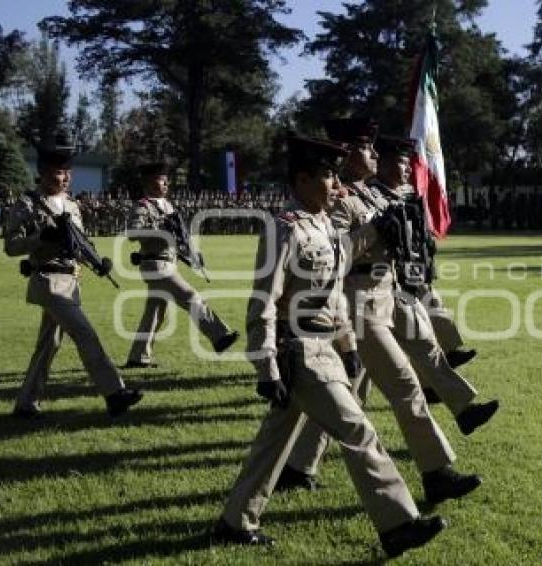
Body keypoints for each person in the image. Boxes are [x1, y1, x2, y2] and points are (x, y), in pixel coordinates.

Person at [213, 133, 445, 558]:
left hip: (325, 348)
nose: (335, 185)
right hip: (299, 352)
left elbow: (336, 288)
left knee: (273, 444)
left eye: (336, 176)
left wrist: (348, 344)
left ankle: (234, 521)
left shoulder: (322, 223)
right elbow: (262, 303)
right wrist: (266, 367)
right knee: (359, 430)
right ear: (301, 180)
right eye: (326, 176)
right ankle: (398, 524)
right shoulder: (283, 230)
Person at [275, 118, 482, 504]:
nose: (374, 154)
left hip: (386, 295)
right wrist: (374, 231)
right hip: (356, 303)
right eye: (367, 148)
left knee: (347, 393)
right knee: (403, 384)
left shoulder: (373, 195)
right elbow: (335, 255)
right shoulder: (338, 201)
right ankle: (437, 473)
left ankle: (298, 466)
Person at [4, 134, 142, 419]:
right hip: (48, 281)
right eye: (58, 171)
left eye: (68, 172)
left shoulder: (71, 204)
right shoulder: (29, 204)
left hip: (71, 281)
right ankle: (114, 393)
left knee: (49, 344)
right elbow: (10, 246)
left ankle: (26, 402)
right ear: (42, 172)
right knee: (84, 333)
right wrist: (41, 237)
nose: (65, 177)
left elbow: (79, 243)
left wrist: (97, 261)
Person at [372, 134, 498, 424]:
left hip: (399, 286)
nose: (407, 170)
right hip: (369, 294)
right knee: (354, 380)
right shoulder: (371, 198)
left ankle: (464, 410)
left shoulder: (401, 195)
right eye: (402, 164)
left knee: (426, 347)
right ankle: (300, 459)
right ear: (385, 164)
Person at [123, 159, 239, 369]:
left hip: (168, 263)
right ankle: (219, 336)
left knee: (155, 312)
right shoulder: (143, 206)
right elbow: (132, 233)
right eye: (161, 180)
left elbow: (178, 237)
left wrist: (192, 254)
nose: (166, 184)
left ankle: (138, 357)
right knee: (190, 296)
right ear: (149, 182)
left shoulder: (168, 206)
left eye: (167, 180)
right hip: (155, 265)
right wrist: (160, 233)